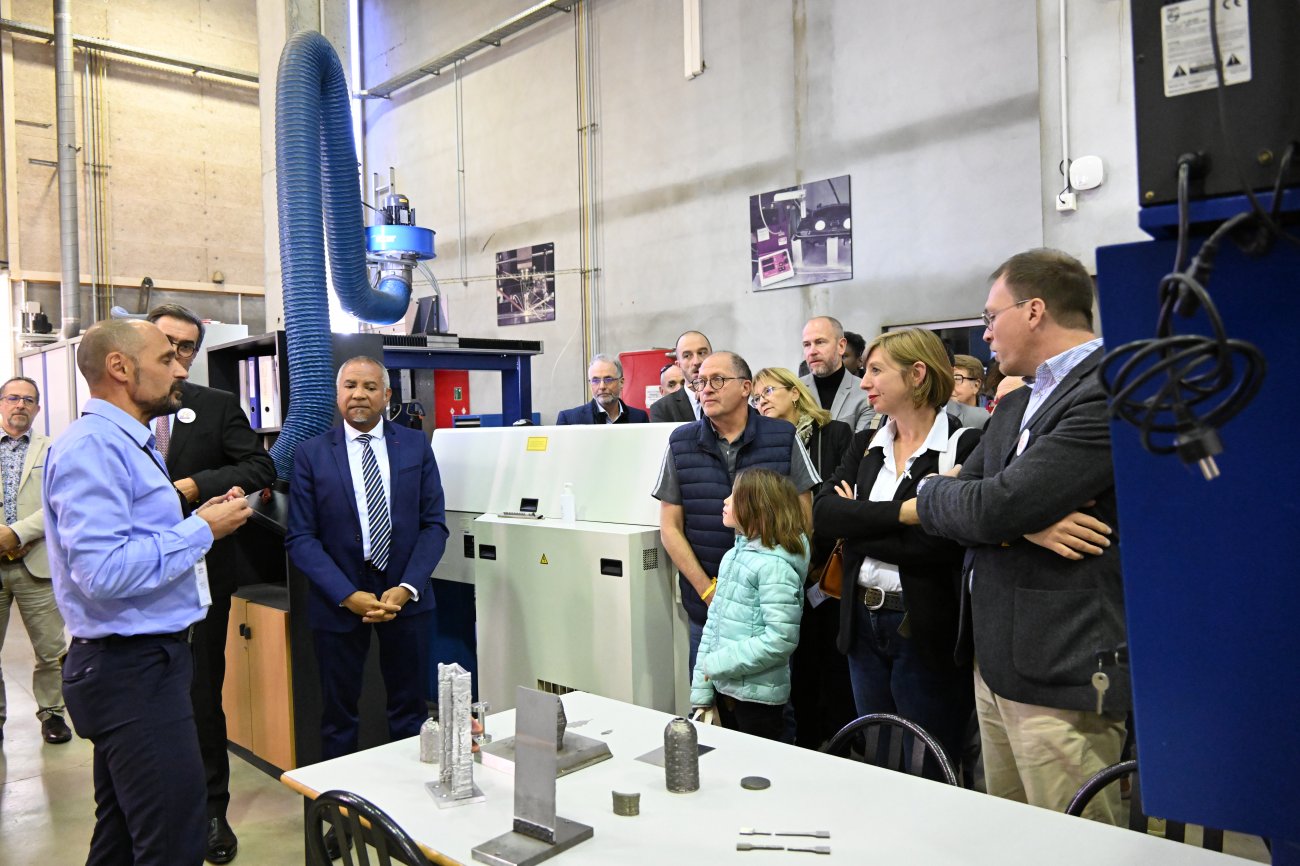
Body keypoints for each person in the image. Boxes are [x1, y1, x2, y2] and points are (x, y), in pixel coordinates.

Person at [906, 248, 1127, 823]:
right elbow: (969, 503)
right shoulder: (1019, 402)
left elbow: (993, 505)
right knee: (1008, 835)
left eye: (990, 316)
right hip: (995, 660)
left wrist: (987, 510)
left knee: (1076, 845)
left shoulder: (1109, 390)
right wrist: (1018, 522)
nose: (985, 334)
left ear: (1033, 310)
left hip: (1061, 666)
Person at [45, 319, 252, 866]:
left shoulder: (126, 443)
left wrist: (199, 516)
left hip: (142, 663)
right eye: (166, 358)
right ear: (120, 367)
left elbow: (131, 539)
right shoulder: (95, 448)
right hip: (130, 670)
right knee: (171, 841)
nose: (180, 370)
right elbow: (103, 572)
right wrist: (201, 530)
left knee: (121, 834)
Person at [813, 328, 981, 778]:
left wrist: (859, 523)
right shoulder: (866, 443)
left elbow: (939, 543)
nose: (864, 381)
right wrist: (908, 513)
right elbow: (824, 515)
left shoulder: (963, 446)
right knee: (877, 757)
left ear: (917, 374)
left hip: (923, 627)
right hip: (861, 623)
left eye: (875, 370)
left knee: (927, 762)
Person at [147, 304, 276, 864]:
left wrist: (194, 485)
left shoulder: (214, 405)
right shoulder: (120, 415)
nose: (176, 355)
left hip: (201, 578)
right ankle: (155, 807)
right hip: (137, 582)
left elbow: (261, 467)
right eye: (167, 342)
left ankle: (211, 811)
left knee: (201, 696)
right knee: (144, 700)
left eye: (186, 347)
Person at [286, 356, 449, 762]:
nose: (359, 394)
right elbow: (301, 538)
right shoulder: (310, 454)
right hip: (338, 601)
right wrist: (346, 594)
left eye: (370, 387)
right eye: (350, 386)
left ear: (387, 394)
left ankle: (409, 794)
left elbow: (434, 526)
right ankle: (338, 799)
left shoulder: (415, 445)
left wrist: (407, 587)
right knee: (338, 715)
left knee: (410, 711)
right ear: (337, 394)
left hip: (405, 598)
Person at [653, 351, 820, 679]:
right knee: (707, 697)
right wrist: (708, 592)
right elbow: (670, 528)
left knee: (769, 702)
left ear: (746, 388)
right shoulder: (681, 442)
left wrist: (775, 584)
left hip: (767, 609)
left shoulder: (783, 437)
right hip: (707, 610)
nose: (706, 389)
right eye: (700, 382)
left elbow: (804, 520)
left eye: (717, 380)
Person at [751, 366, 856, 747]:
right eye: (756, 397)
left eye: (768, 392)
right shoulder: (763, 444)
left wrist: (814, 557)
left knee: (834, 662)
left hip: (827, 563)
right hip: (785, 566)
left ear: (795, 392)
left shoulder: (835, 433)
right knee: (802, 665)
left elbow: (840, 498)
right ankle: (808, 742)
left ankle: (842, 742)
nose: (760, 402)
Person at [690, 468, 808, 741]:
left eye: (735, 495)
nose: (725, 500)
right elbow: (713, 626)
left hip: (758, 703)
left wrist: (717, 664)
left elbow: (780, 639)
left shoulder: (775, 568)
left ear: (757, 508)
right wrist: (702, 690)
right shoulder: (732, 557)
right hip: (724, 692)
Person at [0, 376, 70, 746]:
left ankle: (52, 713)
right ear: (1, 404)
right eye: (13, 398)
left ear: (38, 408)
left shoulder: (53, 449)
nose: (20, 405)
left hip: (37, 560)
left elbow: (60, 501)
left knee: (51, 650)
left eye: (29, 400)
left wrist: (17, 534)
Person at [799, 316, 874, 431]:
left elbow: (861, 441)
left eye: (820, 342)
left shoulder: (865, 393)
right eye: (807, 345)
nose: (812, 351)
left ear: (841, 346)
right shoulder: (794, 392)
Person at [556, 354, 649, 425]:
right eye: (595, 380)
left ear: (621, 382)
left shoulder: (639, 418)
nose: (602, 386)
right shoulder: (569, 420)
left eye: (608, 379)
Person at [649, 331, 711, 422]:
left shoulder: (728, 398)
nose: (696, 361)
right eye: (687, 355)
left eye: (701, 353)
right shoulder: (662, 408)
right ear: (679, 365)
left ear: (712, 358)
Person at [946, 354, 989, 430]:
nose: (950, 385)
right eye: (947, 379)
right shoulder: (938, 415)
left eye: (957, 379)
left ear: (976, 385)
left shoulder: (990, 417)